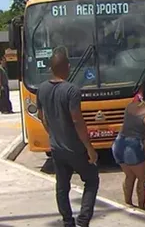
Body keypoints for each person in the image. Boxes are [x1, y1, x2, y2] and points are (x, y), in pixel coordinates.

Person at [36, 50, 99, 227]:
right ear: (67, 67)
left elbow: (42, 116)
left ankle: (67, 222)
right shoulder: (72, 90)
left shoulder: (42, 88)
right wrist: (89, 147)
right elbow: (77, 120)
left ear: (51, 68)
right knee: (92, 180)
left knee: (62, 187)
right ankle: (83, 221)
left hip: (57, 148)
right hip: (75, 148)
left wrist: (52, 133)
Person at [112, 79, 145, 210]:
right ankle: (141, 208)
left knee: (129, 176)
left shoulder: (131, 106)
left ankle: (128, 203)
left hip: (118, 143)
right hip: (132, 147)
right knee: (141, 179)